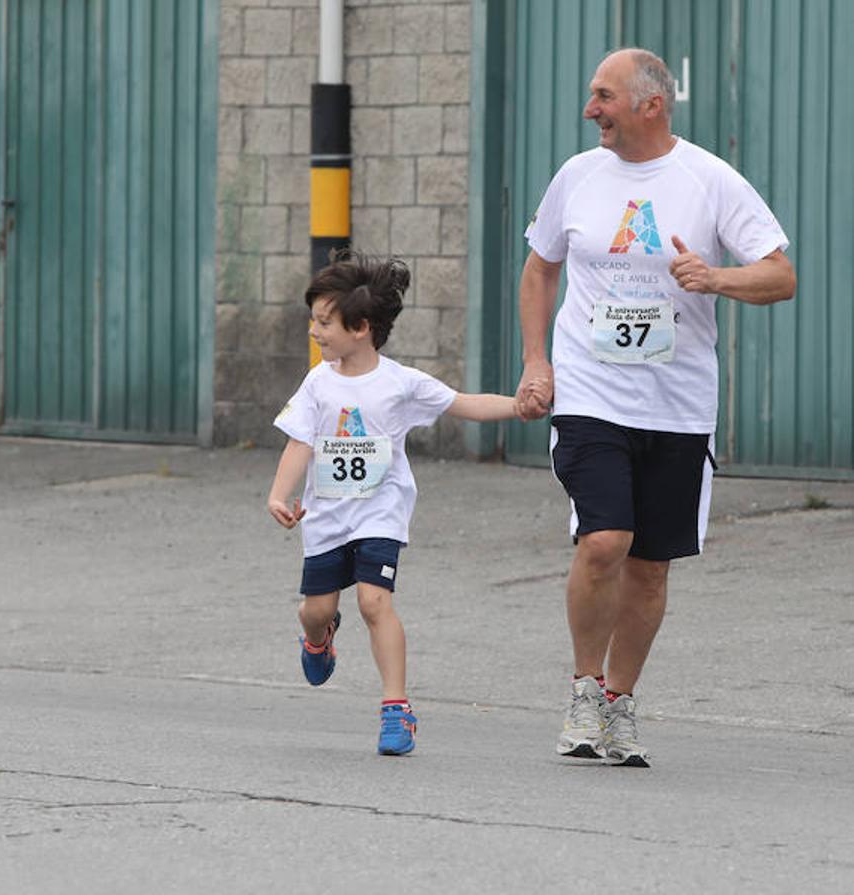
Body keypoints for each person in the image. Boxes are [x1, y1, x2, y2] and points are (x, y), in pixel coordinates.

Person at [515, 48, 795, 767]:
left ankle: (619, 701)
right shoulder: (578, 177)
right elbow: (541, 267)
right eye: (590, 95)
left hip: (677, 403)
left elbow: (780, 274)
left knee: (650, 566)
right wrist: (538, 360)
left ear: (650, 104)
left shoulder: (707, 179)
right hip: (590, 394)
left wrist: (717, 277)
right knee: (605, 539)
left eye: (602, 95)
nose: (590, 110)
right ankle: (583, 688)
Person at [268, 250, 530, 755]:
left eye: (324, 322)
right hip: (326, 519)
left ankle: (396, 710)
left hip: (380, 512)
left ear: (361, 327)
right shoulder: (318, 383)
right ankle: (319, 638)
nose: (314, 331)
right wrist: (279, 494)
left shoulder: (400, 383)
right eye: (313, 320)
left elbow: (464, 403)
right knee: (314, 610)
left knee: (374, 601)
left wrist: (520, 406)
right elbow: (300, 441)